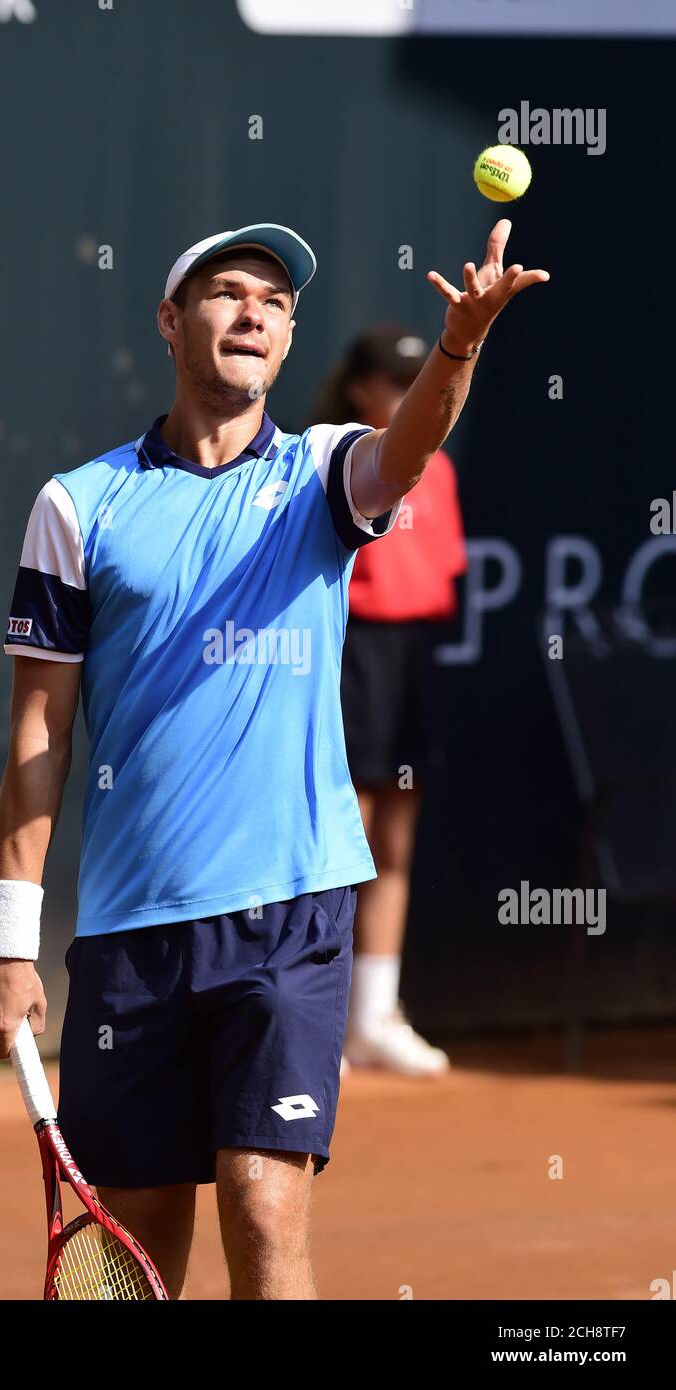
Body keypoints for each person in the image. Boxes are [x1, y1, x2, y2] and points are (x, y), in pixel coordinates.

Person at [0, 219, 548, 1300]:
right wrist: (8, 936)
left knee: (264, 1202)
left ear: (287, 343)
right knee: (137, 1242)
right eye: (228, 293)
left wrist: (459, 347)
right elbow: (38, 736)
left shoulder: (325, 471)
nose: (252, 314)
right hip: (130, 935)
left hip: (292, 911)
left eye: (274, 303)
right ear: (170, 320)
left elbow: (409, 447)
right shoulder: (76, 505)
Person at [308, 325, 467, 1075]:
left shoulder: (435, 467)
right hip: (353, 650)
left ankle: (373, 1017)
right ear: (357, 388)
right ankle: (320, 1015)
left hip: (415, 656)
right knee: (346, 835)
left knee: (393, 840)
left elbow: (443, 572)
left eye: (418, 379)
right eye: (394, 381)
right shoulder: (340, 461)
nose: (408, 394)